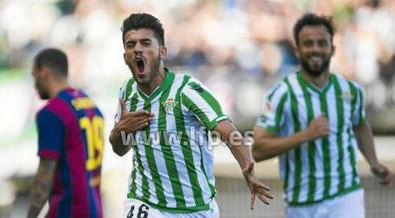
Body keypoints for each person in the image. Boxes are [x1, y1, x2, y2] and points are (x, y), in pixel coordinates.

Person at [109, 13, 273, 217]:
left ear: (162, 51)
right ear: (125, 55)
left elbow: (229, 133)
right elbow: (119, 148)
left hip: (194, 209)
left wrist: (247, 167)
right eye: (130, 44)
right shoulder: (127, 92)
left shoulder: (187, 90)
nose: (138, 49)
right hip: (145, 202)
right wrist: (120, 130)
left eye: (145, 43)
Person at [253, 13, 393, 218]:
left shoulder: (350, 90)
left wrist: (373, 162)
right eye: (308, 44)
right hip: (301, 204)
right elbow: (258, 149)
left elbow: (360, 125)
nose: (316, 49)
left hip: (346, 197)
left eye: (321, 43)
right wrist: (304, 135)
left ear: (332, 49)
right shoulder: (282, 93)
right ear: (297, 50)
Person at [27, 48, 104, 218]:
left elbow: (45, 175)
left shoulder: (52, 112)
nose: (34, 84)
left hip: (69, 210)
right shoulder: (90, 105)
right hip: (95, 209)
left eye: (34, 76)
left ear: (44, 72)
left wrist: (31, 215)